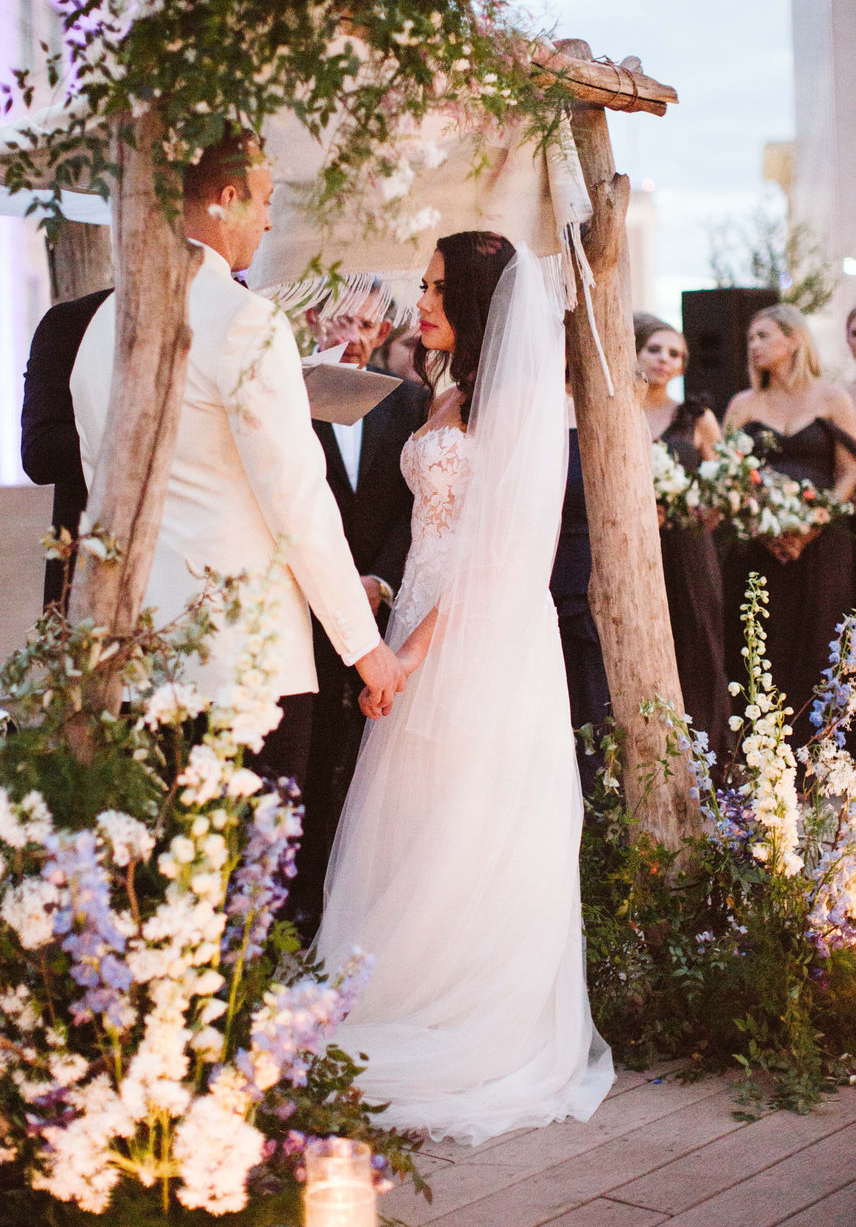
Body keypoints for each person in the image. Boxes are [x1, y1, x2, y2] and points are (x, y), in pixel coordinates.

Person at [315, 231, 614, 1145]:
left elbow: (497, 559)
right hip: (415, 625)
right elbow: (433, 530)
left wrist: (413, 654)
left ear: (483, 303)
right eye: (427, 284)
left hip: (480, 640)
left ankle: (464, 1011)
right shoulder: (444, 393)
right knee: (411, 821)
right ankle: (403, 986)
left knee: (472, 824)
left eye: (442, 289)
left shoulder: (522, 399)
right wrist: (384, 599)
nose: (426, 300)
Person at [70, 133, 406, 789]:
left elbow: (99, 490)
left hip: (140, 662)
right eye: (264, 200)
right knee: (249, 878)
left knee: (175, 880)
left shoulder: (102, 326)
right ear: (227, 200)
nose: (271, 219)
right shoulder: (246, 320)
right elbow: (298, 500)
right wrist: (365, 649)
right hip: (248, 668)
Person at [296, 292, 429, 932]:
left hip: (382, 606)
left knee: (371, 757)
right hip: (301, 608)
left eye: (369, 323)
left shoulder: (405, 402)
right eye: (343, 318)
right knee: (310, 755)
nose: (355, 334)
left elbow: (418, 507)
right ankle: (302, 898)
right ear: (315, 318)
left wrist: (380, 579)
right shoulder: (289, 396)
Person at [724, 302, 856, 741]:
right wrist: (765, 526)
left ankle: (823, 755)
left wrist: (817, 519)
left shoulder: (832, 397)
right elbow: (728, 474)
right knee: (764, 642)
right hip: (760, 544)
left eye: (763, 336)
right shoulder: (743, 405)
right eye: (750, 339)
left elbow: (851, 469)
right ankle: (765, 754)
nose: (754, 346)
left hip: (825, 542)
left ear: (794, 338)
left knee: (822, 639)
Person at [635, 315, 729, 760]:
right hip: (633, 547)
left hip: (688, 547)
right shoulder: (618, 408)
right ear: (636, 352)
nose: (664, 359)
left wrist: (698, 509)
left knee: (696, 642)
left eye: (675, 354)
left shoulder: (696, 416)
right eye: (655, 349)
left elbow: (728, 482)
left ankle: (703, 756)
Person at [21, 285, 113, 611]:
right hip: (95, 578)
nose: (267, 228)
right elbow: (39, 452)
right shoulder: (74, 323)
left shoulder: (244, 315)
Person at [550, 385, 610, 796]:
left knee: (594, 700)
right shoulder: (520, 399)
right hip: (535, 572)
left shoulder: (605, 401)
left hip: (590, 576)